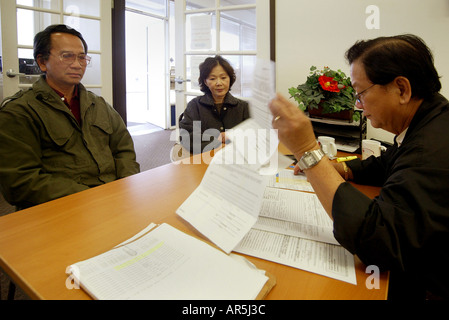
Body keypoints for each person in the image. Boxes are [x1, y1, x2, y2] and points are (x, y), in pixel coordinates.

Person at [269, 34, 449, 300]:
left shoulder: (431, 150)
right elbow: (390, 162)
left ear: (402, 89)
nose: (358, 106)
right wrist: (339, 169)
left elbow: (380, 242)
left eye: (361, 94)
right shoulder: (430, 119)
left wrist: (308, 152)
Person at [0, 24, 140, 210]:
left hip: (111, 198)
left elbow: (124, 149)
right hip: (63, 207)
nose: (77, 64)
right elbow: (20, 181)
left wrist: (125, 186)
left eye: (82, 58)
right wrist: (90, 197)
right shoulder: (20, 111)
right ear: (42, 62)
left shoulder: (97, 104)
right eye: (67, 56)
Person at [179, 55, 250, 154]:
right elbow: (187, 137)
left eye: (223, 77)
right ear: (205, 82)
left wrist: (233, 136)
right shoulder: (195, 106)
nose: (219, 83)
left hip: (235, 161)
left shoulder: (243, 107)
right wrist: (217, 139)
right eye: (212, 79)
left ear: (230, 79)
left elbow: (253, 137)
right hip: (204, 161)